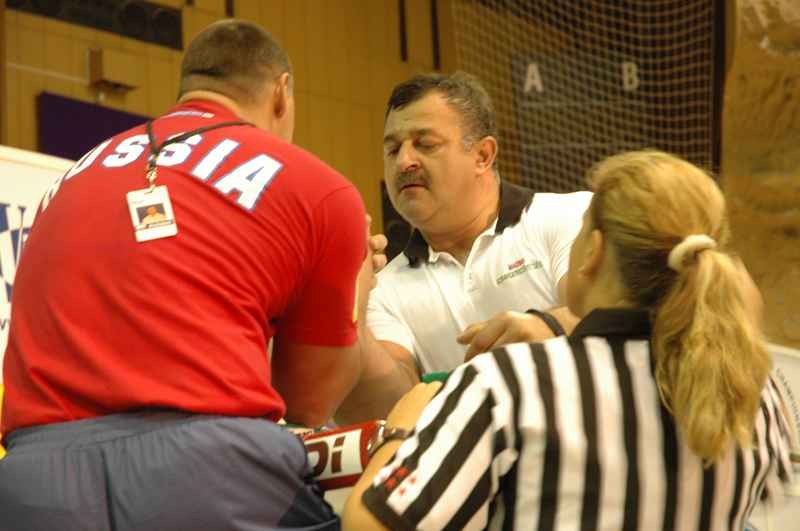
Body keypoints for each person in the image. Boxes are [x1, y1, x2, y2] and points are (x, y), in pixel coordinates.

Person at [0, 19, 371, 530]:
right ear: (282, 93)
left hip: (32, 480)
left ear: (188, 88)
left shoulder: (71, 177)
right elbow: (308, 402)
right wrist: (362, 288)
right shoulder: (319, 188)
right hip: (206, 471)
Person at [343, 150, 795, 530]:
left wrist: (402, 430)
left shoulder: (511, 384)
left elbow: (375, 526)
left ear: (594, 252)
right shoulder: (755, 388)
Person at [338, 72, 592, 422]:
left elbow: (622, 309)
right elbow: (393, 407)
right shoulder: (383, 288)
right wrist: (349, 304)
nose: (403, 162)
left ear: (483, 155)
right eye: (393, 148)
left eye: (424, 144)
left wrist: (549, 325)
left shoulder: (568, 217)